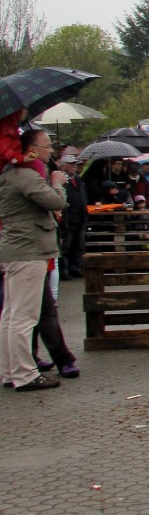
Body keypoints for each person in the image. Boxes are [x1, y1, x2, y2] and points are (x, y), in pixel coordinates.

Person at [0, 129, 68, 391]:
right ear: (31, 149)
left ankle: (10, 370)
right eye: (47, 146)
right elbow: (55, 201)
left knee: (11, 315)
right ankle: (25, 374)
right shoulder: (26, 175)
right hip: (29, 250)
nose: (50, 151)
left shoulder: (9, 173)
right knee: (24, 317)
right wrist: (57, 182)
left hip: (18, 250)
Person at [58, 150, 87, 280]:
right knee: (66, 247)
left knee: (78, 246)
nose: (74, 166)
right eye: (70, 164)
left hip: (80, 218)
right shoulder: (61, 179)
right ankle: (64, 270)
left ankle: (76, 267)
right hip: (68, 218)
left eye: (74, 164)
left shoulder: (78, 179)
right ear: (63, 165)